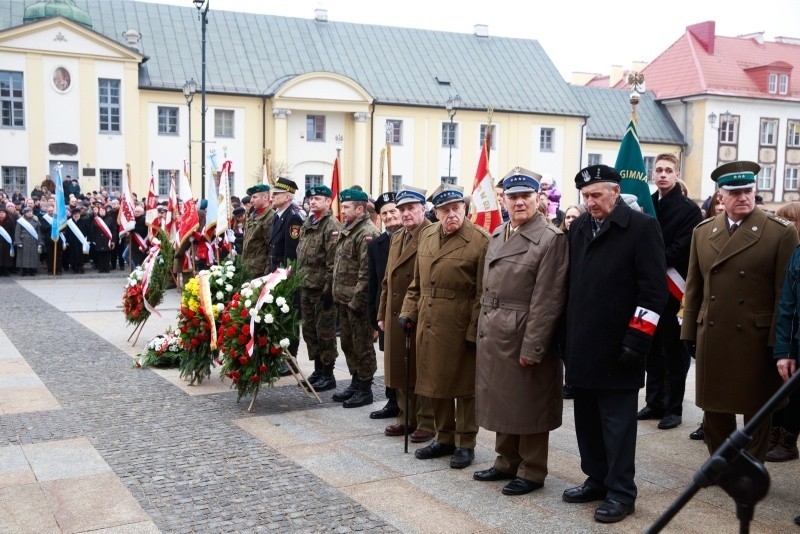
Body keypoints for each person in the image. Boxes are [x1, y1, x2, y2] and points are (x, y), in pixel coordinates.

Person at [561, 164, 667, 524]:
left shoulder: (641, 228)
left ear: (615, 192)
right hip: (583, 344)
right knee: (587, 420)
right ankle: (597, 478)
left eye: (596, 195)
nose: (589, 202)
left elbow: (654, 292)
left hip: (620, 347)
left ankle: (622, 492)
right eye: (585, 196)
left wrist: (637, 339)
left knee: (617, 426)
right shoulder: (577, 228)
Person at [681, 160, 799, 462]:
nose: (743, 197)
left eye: (748, 190)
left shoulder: (780, 233)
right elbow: (695, 286)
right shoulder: (703, 232)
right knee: (715, 407)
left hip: (756, 338)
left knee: (757, 407)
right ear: (721, 196)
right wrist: (689, 332)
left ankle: (751, 465)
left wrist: (780, 344)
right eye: (735, 192)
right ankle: (721, 463)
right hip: (714, 333)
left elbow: (784, 294)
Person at [473, 168, 568, 496]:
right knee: (503, 399)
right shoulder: (499, 233)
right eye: (512, 197)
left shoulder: (550, 239)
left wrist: (534, 346)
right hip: (495, 329)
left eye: (525, 196)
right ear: (504, 200)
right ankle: (506, 460)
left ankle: (532, 469)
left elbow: (549, 299)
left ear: (538, 199)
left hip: (524, 329)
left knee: (528, 402)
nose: (519, 202)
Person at [400, 184, 489, 470]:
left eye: (456, 209)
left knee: (463, 387)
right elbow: (417, 283)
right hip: (428, 319)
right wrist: (407, 311)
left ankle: (465, 442)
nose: (451, 215)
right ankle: (444, 436)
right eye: (444, 210)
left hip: (459, 320)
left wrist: (474, 330)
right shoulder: (426, 235)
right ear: (435, 212)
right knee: (433, 380)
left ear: (465, 209)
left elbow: (482, 293)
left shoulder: (480, 240)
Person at [637, 154, 702, 430]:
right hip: (649, 289)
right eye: (658, 170)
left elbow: (683, 246)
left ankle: (673, 408)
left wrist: (652, 260)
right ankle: (654, 402)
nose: (662, 174)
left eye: (668, 170)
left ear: (677, 174)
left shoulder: (689, 209)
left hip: (674, 289)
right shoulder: (646, 205)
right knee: (651, 349)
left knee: (674, 351)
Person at [377, 186, 436, 443]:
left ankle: (426, 421)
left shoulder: (432, 233)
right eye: (402, 209)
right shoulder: (398, 236)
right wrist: (382, 312)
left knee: (420, 367)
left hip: (419, 310)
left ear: (423, 208)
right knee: (400, 366)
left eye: (412, 208)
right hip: (395, 311)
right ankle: (405, 416)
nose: (406, 213)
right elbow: (387, 280)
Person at [331, 188, 380, 408]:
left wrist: (358, 301)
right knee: (348, 343)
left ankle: (365, 388)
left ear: (360, 209)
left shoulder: (367, 232)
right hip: (343, 298)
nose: (342, 211)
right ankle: (355, 381)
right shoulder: (347, 229)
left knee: (362, 345)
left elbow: (366, 272)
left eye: (346, 207)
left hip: (356, 302)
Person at [297, 185, 342, 391]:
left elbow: (334, 262)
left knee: (325, 332)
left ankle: (328, 373)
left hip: (322, 289)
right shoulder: (308, 222)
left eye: (317, 198)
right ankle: (317, 370)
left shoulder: (331, 225)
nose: (312, 202)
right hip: (306, 285)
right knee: (310, 332)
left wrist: (328, 290)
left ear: (327, 201)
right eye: (311, 199)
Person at [769, 201, 800, 463]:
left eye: (790, 220)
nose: (785, 225)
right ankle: (777, 436)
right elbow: (789, 303)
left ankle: (788, 440)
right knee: (786, 389)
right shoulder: (795, 253)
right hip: (791, 337)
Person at [367, 192, 402, 420]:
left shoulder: (416, 238)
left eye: (393, 211)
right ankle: (392, 401)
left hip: (406, 308)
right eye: (384, 213)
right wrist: (373, 315)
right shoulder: (376, 245)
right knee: (389, 358)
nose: (389, 216)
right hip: (386, 309)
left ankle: (410, 403)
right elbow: (373, 283)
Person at [268, 177, 304, 375]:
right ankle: (282, 356)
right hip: (276, 274)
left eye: (276, 194)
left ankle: (291, 359)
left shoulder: (293, 218)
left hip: (286, 276)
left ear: (288, 196)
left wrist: (287, 279)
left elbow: (292, 253)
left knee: (290, 317)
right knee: (280, 316)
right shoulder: (278, 215)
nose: (272, 197)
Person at [241, 184, 275, 278]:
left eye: (254, 197)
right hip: (247, 267)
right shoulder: (253, 215)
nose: (251, 201)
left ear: (265, 197)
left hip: (260, 271)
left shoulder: (270, 217)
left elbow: (271, 247)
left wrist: (267, 272)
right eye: (251, 197)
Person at [14, 206, 42, 276]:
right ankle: (24, 270)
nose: (29, 213)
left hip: (34, 240)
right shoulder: (21, 221)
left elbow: (39, 232)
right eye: (28, 212)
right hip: (24, 240)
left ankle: (32, 270)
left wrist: (40, 242)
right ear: (24, 213)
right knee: (24, 256)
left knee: (33, 255)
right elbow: (17, 232)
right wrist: (18, 241)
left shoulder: (36, 220)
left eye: (31, 212)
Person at [90, 205, 118, 273]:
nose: (102, 212)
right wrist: (93, 240)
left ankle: (107, 268)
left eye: (103, 210)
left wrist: (113, 241)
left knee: (107, 254)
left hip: (107, 240)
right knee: (99, 254)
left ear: (105, 211)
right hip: (98, 239)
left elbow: (113, 231)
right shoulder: (96, 219)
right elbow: (92, 230)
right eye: (100, 211)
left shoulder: (110, 219)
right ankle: (100, 268)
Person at [64, 207, 90, 273]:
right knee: (73, 254)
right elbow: (67, 232)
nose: (76, 215)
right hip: (72, 241)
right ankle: (75, 267)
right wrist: (67, 241)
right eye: (74, 214)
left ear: (79, 214)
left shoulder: (84, 221)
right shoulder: (69, 222)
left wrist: (88, 240)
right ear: (72, 215)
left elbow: (88, 231)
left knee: (81, 254)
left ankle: (81, 266)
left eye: (77, 214)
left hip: (82, 241)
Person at [0, 207, 15, 276]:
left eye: (3, 213)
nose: (1, 214)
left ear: (6, 214)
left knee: (6, 257)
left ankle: (6, 270)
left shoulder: (10, 221)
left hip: (7, 241)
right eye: (0, 213)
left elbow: (13, 231)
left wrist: (12, 240)